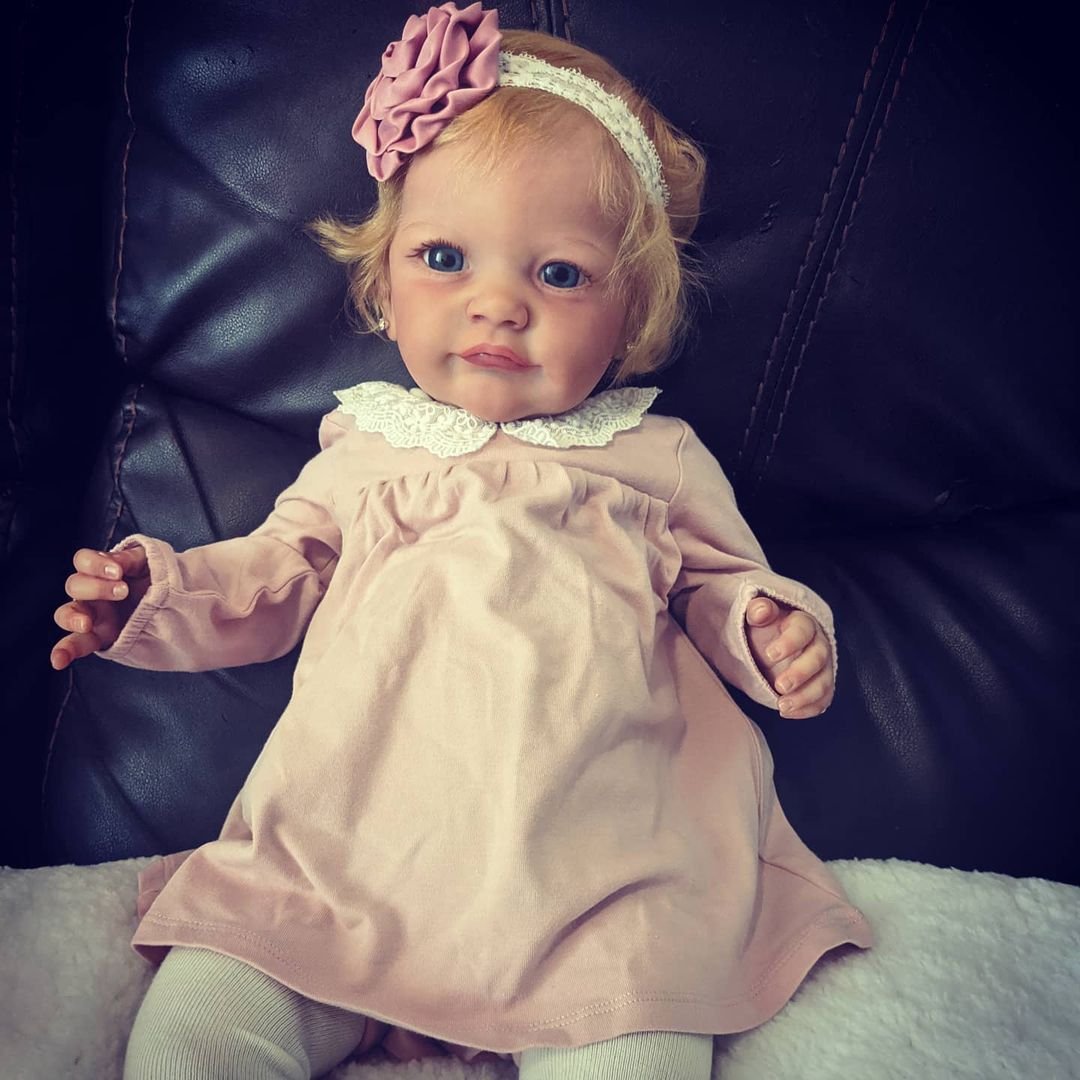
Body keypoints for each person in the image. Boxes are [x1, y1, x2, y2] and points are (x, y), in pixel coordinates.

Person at [50, 4, 872, 1077]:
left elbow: (722, 586)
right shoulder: (365, 450)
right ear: (384, 289)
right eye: (445, 258)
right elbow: (273, 576)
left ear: (629, 318)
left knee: (636, 1056)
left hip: (595, 885)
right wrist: (153, 595)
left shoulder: (653, 456)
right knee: (190, 1043)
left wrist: (768, 626)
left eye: (559, 274)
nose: (497, 306)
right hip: (342, 868)